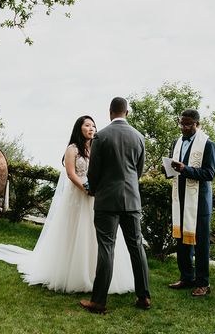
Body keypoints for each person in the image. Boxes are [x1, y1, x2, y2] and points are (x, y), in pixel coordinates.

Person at [0, 115, 135, 294]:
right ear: (79, 128)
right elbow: (71, 174)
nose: (91, 128)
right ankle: (74, 273)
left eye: (93, 126)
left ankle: (97, 274)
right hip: (78, 195)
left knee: (95, 234)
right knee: (76, 232)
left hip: (97, 196)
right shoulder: (72, 149)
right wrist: (85, 189)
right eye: (87, 125)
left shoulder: (96, 147)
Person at [80, 97, 151, 314]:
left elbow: (93, 172)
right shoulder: (139, 137)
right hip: (131, 199)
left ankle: (99, 301)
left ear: (110, 112)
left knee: (106, 248)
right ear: (126, 112)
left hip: (107, 200)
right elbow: (138, 171)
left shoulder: (102, 135)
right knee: (136, 247)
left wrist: (95, 188)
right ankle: (144, 296)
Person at [168, 109, 215, 297]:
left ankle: (203, 283)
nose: (184, 128)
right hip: (180, 199)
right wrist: (168, 170)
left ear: (197, 124)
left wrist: (185, 169)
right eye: (182, 123)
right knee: (182, 241)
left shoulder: (208, 144)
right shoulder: (177, 142)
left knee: (201, 244)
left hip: (199, 203)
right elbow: (175, 169)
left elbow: (210, 174)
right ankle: (187, 277)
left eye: (188, 124)